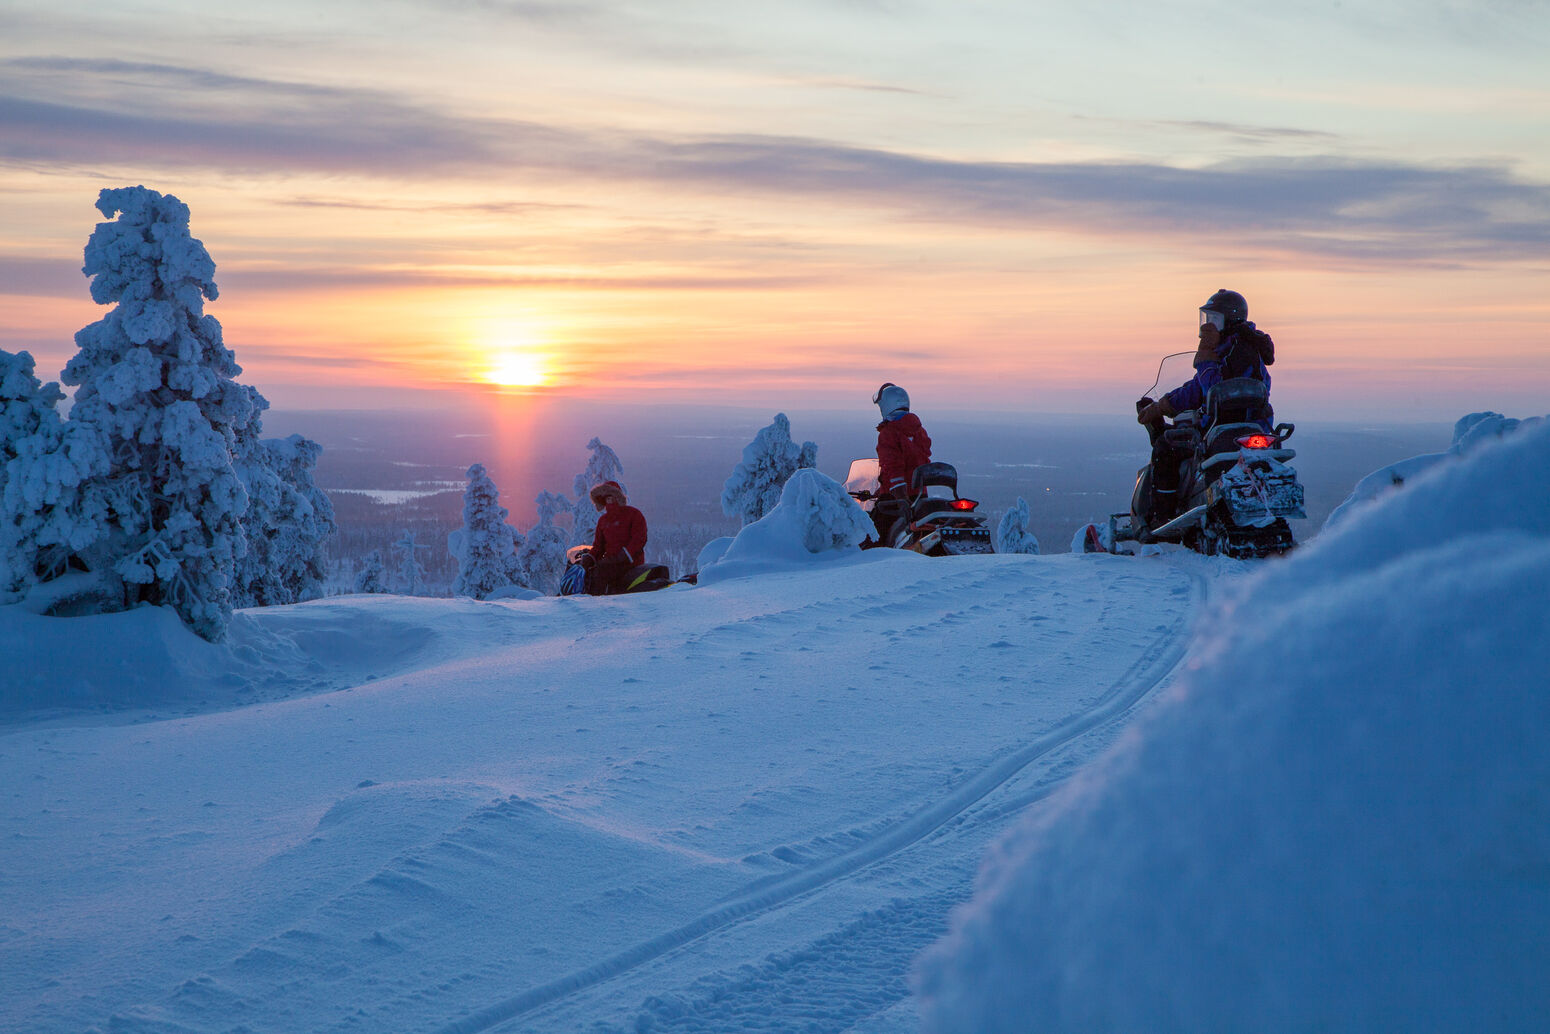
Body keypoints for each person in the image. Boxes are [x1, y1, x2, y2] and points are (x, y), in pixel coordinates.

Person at [1136, 289, 1275, 526]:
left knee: (1164, 447)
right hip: (1252, 426)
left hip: (1225, 428)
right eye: (1207, 318)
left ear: (1230, 320)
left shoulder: (1238, 351)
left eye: (1215, 319)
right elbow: (1197, 388)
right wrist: (1163, 405)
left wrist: (1205, 359)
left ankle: (1163, 517)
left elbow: (1214, 390)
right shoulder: (1235, 347)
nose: (1208, 325)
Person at [870, 382, 932, 542]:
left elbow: (892, 466)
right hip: (920, 496)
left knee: (874, 537)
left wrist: (900, 496)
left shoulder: (889, 433)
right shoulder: (919, 430)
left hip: (896, 500)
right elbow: (922, 461)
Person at [586, 480, 647, 595]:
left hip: (630, 563)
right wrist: (590, 557)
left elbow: (639, 539)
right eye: (607, 498)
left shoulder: (633, 514)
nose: (609, 500)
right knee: (587, 572)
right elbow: (598, 546)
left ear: (618, 497)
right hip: (609, 562)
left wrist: (623, 555)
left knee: (600, 573)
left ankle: (593, 604)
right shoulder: (603, 520)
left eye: (612, 497)